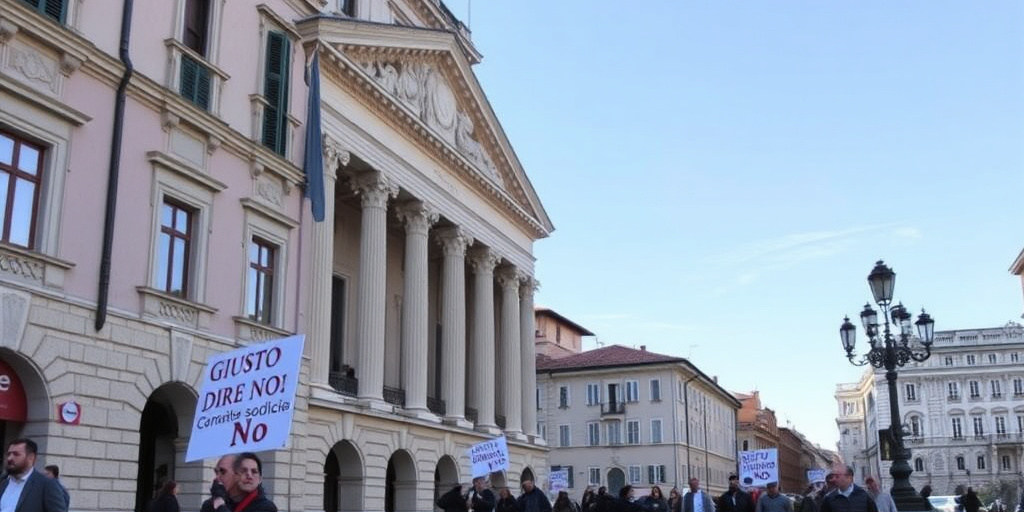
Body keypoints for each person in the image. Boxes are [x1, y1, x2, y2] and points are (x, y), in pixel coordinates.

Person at [0, 438, 67, 512]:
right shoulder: (3, 483)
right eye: (9, 454)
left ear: (31, 458)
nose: (9, 458)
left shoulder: (46, 485)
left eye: (16, 454)